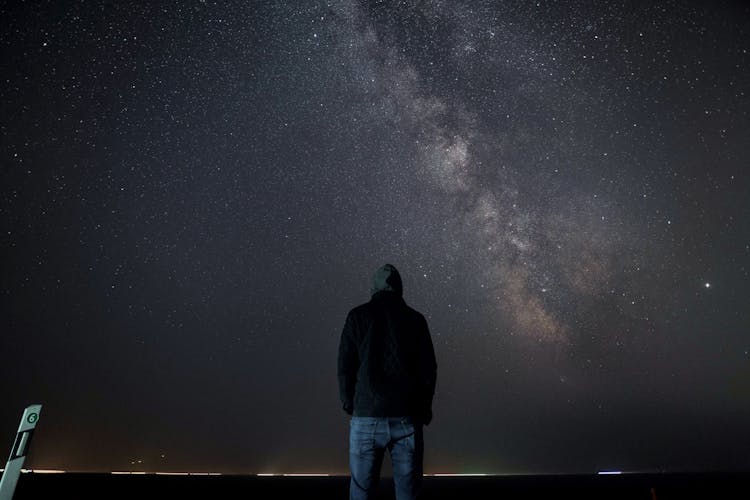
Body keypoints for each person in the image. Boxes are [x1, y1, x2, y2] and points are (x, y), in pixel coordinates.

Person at [338, 263, 437, 500]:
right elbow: (428, 370)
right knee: (408, 493)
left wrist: (349, 402)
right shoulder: (415, 319)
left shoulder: (357, 316)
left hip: (366, 415)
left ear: (373, 287)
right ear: (400, 288)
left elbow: (345, 366)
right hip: (406, 416)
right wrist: (424, 408)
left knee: (361, 493)